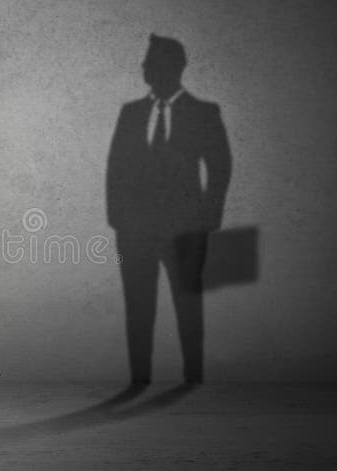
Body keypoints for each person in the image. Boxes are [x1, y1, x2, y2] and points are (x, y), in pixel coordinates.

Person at [106, 34, 232, 385]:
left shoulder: (205, 113)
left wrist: (207, 219)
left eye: (152, 61)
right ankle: (139, 380)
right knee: (139, 307)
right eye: (146, 61)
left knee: (188, 304)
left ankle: (193, 378)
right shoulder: (130, 113)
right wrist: (119, 221)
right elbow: (115, 168)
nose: (145, 67)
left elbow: (220, 167)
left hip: (186, 231)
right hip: (134, 234)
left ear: (175, 67)